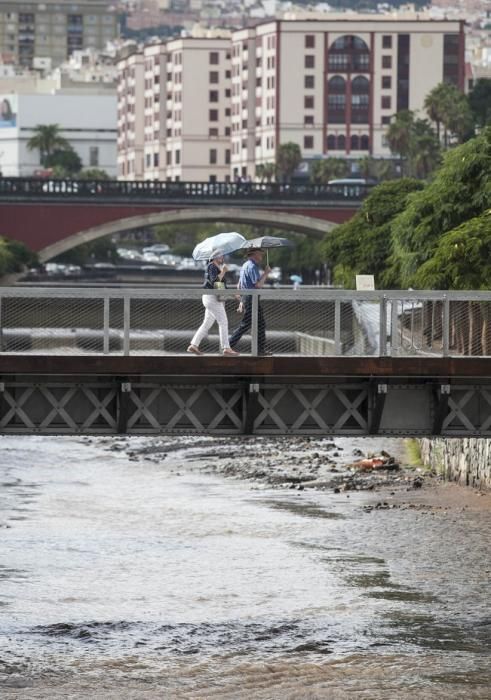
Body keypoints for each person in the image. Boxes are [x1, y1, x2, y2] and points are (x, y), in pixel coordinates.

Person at [187, 253, 240, 357]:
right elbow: (214, 281)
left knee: (207, 323)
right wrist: (224, 271)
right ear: (214, 257)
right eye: (220, 256)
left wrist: (234, 295)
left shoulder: (215, 267)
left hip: (210, 298)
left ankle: (194, 345)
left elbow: (221, 286)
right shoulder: (212, 266)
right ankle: (226, 348)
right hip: (212, 298)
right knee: (223, 322)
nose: (222, 257)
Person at [229, 248, 271, 355]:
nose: (262, 256)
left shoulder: (245, 265)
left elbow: (240, 284)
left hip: (248, 298)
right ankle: (228, 345)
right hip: (252, 298)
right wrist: (266, 273)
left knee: (258, 324)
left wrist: (242, 300)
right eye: (260, 254)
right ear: (254, 255)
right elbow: (257, 285)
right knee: (247, 324)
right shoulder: (252, 266)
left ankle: (260, 350)